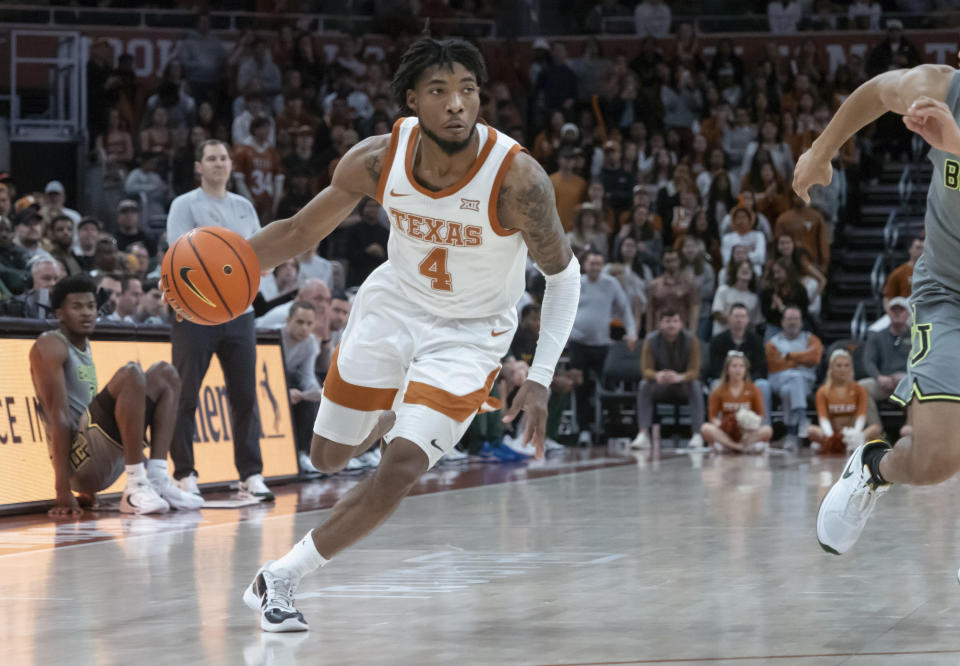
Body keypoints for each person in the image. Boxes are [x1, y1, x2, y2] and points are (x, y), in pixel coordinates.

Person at [208, 37, 580, 632]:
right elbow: (302, 230)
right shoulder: (379, 159)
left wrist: (539, 378)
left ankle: (279, 577)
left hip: (469, 333)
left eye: (468, 91)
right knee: (328, 456)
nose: (457, 104)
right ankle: (397, 409)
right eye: (439, 91)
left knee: (402, 464)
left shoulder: (519, 180)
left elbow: (565, 276)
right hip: (394, 307)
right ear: (412, 101)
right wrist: (221, 273)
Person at [792, 53, 960, 555]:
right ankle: (872, 468)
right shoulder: (939, 88)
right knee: (933, 462)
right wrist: (822, 152)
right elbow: (878, 90)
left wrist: (956, 146)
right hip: (948, 292)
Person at [29, 274, 202, 516]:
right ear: (60, 313)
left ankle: (157, 477)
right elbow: (59, 417)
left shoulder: (83, 344)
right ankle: (135, 486)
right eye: (77, 307)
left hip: (103, 460)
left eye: (91, 306)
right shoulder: (49, 345)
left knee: (167, 373)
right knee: (130, 374)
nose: (87, 313)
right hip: (77, 465)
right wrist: (63, 489)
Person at [166, 139, 273, 501]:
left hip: (240, 314)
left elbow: (259, 254)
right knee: (185, 396)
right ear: (199, 166)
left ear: (231, 164)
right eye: (211, 158)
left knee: (245, 397)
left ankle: (251, 475)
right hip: (196, 312)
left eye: (223, 158)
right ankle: (183, 475)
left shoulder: (244, 207)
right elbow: (177, 254)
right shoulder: (185, 205)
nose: (218, 164)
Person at [569, 250, 637, 445]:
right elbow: (562, 306)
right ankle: (584, 429)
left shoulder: (610, 284)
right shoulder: (576, 282)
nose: (596, 267)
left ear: (603, 265)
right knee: (581, 387)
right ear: (585, 265)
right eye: (592, 263)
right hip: (579, 345)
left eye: (599, 263)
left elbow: (624, 309)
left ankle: (614, 426)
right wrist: (568, 332)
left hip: (603, 345)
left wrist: (631, 331)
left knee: (610, 385)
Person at [633, 309, 705, 450]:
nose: (671, 325)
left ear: (681, 324)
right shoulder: (651, 340)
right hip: (661, 385)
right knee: (644, 385)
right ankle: (643, 435)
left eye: (675, 321)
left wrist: (680, 377)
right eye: (667, 321)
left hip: (682, 385)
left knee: (696, 385)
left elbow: (695, 371)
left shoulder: (691, 341)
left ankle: (697, 434)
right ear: (660, 324)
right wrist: (658, 376)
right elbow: (645, 370)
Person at [765, 305, 823, 449]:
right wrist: (802, 360)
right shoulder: (772, 343)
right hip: (778, 379)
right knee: (795, 376)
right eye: (789, 319)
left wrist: (790, 357)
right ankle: (803, 420)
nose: (793, 322)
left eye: (796, 319)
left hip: (806, 384)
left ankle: (791, 435)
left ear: (801, 322)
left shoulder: (811, 339)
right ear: (782, 322)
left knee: (788, 391)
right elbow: (775, 365)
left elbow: (815, 357)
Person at [809, 349, 883, 456]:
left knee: (876, 428)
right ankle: (831, 442)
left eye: (846, 365)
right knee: (812, 430)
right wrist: (832, 436)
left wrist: (856, 433)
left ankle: (855, 442)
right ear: (831, 368)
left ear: (851, 368)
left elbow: (861, 415)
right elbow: (823, 418)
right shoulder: (822, 391)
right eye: (838, 366)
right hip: (832, 432)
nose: (843, 369)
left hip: (853, 432)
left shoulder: (859, 389)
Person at [707, 302, 772, 421]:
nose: (739, 320)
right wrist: (731, 379)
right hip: (725, 381)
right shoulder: (717, 341)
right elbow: (714, 368)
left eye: (742, 316)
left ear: (747, 320)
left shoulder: (756, 340)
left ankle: (763, 429)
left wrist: (743, 380)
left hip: (749, 380)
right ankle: (718, 427)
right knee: (715, 385)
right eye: (736, 316)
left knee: (764, 385)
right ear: (729, 318)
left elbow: (762, 368)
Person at [281, 301, 325, 475]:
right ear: (287, 321)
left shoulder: (310, 342)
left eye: (309, 324)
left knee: (311, 402)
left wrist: (317, 393)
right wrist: (283, 391)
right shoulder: (273, 334)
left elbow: (307, 377)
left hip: (289, 381)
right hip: (266, 381)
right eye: (300, 322)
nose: (305, 328)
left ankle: (303, 453)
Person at [701, 351, 772, 453]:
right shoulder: (718, 390)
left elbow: (760, 414)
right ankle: (737, 447)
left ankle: (727, 446)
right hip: (726, 431)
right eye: (734, 366)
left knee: (767, 430)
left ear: (745, 369)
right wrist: (722, 425)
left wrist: (751, 425)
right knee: (706, 428)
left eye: (741, 366)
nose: (738, 370)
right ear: (727, 369)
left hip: (747, 431)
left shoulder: (753, 388)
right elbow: (713, 417)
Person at [859, 296, 911, 430]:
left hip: (907, 382)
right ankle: (876, 431)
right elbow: (868, 361)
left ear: (908, 314)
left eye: (901, 310)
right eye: (894, 310)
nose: (897, 313)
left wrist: (906, 377)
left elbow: (923, 361)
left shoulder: (916, 335)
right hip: (884, 381)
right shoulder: (877, 336)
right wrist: (878, 377)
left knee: (920, 390)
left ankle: (910, 431)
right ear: (888, 313)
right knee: (861, 387)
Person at [882, 235, 923, 309]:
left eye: (923, 248)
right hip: (905, 314)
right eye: (918, 247)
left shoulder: (931, 272)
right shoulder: (898, 273)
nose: (921, 251)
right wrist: (893, 316)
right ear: (910, 249)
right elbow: (887, 298)